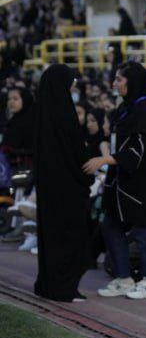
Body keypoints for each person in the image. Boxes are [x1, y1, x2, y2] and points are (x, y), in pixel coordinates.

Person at [88, 62, 146, 300]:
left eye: (120, 79)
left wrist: (104, 160)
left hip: (140, 184)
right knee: (110, 226)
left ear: (132, 81)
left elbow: (136, 152)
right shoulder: (128, 107)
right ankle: (124, 278)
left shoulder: (144, 109)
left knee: (144, 230)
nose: (115, 84)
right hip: (120, 183)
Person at [33, 64, 92, 302]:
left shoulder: (42, 114)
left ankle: (50, 284)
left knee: (52, 236)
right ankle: (64, 287)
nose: (72, 88)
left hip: (49, 188)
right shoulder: (64, 114)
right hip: (68, 188)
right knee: (70, 238)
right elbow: (76, 153)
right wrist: (86, 177)